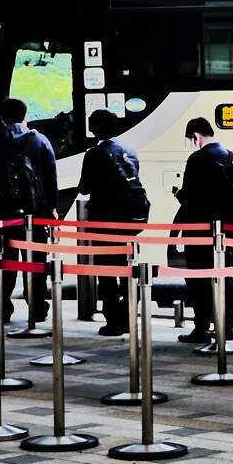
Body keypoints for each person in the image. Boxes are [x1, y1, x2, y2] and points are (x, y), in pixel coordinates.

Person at [77, 109, 142, 336]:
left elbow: (84, 187)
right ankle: (128, 317)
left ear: (93, 129)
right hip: (130, 222)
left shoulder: (94, 154)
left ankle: (113, 321)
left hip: (104, 223)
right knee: (126, 269)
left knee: (106, 273)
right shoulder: (130, 152)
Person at [173, 117, 233, 344]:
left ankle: (202, 327)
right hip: (225, 230)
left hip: (200, 230)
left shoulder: (197, 158)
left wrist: (179, 194)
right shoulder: (229, 155)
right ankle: (228, 325)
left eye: (192, 139)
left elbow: (190, 199)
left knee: (200, 280)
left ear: (196, 135)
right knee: (225, 276)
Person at [0, 97, 58, 323]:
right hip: (36, 214)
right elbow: (50, 177)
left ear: (2, 118)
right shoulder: (39, 140)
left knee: (5, 262)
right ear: (25, 116)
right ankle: (37, 307)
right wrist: (52, 207)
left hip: (3, 216)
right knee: (36, 262)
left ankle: (3, 307)